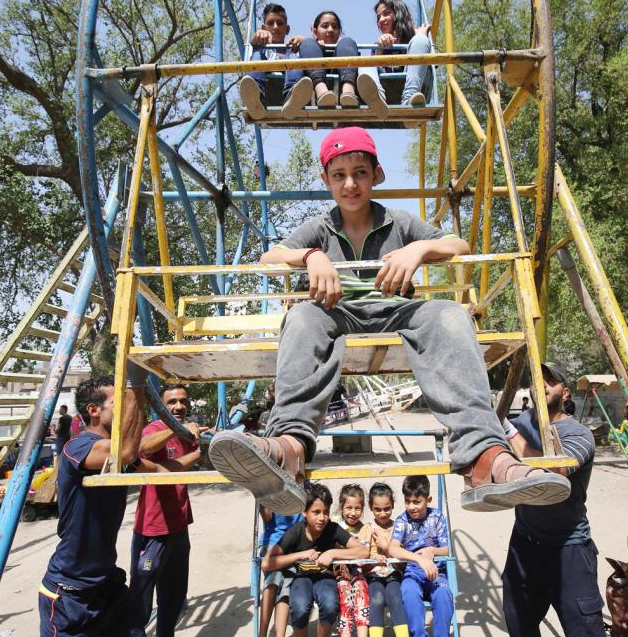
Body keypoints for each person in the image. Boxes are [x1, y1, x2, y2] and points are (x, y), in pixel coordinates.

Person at [209, 126, 570, 516]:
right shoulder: (320, 226)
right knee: (300, 319)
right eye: (339, 175)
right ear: (325, 179)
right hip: (336, 311)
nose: (350, 184)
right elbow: (269, 259)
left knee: (449, 316)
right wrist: (311, 256)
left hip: (395, 309)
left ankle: (485, 458)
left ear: (376, 175)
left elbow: (459, 246)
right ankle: (289, 450)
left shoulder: (398, 222)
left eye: (360, 173)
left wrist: (419, 249)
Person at [38, 374, 155, 637]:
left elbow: (150, 462)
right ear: (94, 410)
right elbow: (124, 452)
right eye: (119, 401)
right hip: (70, 592)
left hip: (107, 585)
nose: (127, 406)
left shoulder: (119, 449)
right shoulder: (77, 447)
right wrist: (137, 384)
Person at [503, 363, 604, 636]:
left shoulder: (579, 435)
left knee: (584, 629)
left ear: (566, 392)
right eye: (538, 379)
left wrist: (509, 433)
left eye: (551, 380)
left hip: (568, 548)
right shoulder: (521, 422)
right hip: (525, 544)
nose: (543, 384)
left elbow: (554, 471)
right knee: (518, 623)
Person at [129, 384, 204, 637]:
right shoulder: (156, 428)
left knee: (173, 596)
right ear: (160, 406)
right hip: (153, 529)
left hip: (179, 527)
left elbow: (176, 465)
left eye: (183, 401)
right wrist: (174, 428)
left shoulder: (185, 432)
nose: (179, 406)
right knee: (141, 598)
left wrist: (198, 444)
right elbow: (143, 448)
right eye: (171, 402)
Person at [261, 483, 368, 637]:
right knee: (299, 607)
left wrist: (332, 553)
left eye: (325, 512)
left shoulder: (332, 529)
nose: (322, 518)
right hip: (301, 577)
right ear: (304, 512)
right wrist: (300, 555)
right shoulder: (296, 531)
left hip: (325, 577)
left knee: (330, 605)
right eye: (316, 512)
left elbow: (363, 551)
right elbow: (266, 563)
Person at [386, 475, 453, 637]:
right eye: (407, 501)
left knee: (443, 593)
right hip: (412, 572)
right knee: (408, 591)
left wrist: (432, 551)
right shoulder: (403, 520)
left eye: (417, 502)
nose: (411, 507)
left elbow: (446, 550)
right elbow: (393, 549)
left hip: (435, 572)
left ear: (428, 499)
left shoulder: (436, 517)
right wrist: (419, 559)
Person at [357, 0, 433, 116]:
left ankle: (409, 100)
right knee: (363, 61)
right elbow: (375, 68)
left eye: (386, 13)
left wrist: (421, 36)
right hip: (387, 92)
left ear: (398, 14)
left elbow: (430, 67)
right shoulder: (378, 46)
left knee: (421, 40)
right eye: (378, 17)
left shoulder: (415, 39)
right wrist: (380, 49)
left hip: (413, 89)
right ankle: (377, 99)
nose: (381, 20)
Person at [239, 3, 307, 118]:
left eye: (280, 23)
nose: (275, 27)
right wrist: (257, 36)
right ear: (264, 28)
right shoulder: (260, 49)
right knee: (256, 55)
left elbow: (314, 51)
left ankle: (292, 96)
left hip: (290, 93)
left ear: (287, 29)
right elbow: (253, 44)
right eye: (270, 23)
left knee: (294, 57)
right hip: (267, 91)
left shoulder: (293, 51)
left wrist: (305, 41)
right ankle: (254, 98)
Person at [286, 11, 361, 109]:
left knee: (347, 41)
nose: (330, 29)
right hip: (313, 88)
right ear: (315, 31)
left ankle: (348, 93)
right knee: (308, 42)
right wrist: (312, 44)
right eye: (325, 26)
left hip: (341, 90)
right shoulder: (307, 45)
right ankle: (322, 93)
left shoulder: (345, 47)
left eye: (335, 27)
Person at [366, 483, 409, 637]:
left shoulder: (398, 527)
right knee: (376, 599)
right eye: (377, 509)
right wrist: (372, 558)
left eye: (387, 508)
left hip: (394, 574)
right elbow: (361, 556)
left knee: (396, 598)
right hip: (373, 575)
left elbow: (400, 563)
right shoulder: (368, 529)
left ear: (392, 506)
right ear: (371, 507)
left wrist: (386, 549)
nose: (383, 513)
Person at [258, 505, 304, 637]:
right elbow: (267, 518)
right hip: (273, 542)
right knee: (274, 577)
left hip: (294, 545)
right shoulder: (272, 486)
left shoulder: (303, 487)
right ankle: (262, 633)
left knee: (287, 584)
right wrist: (261, 496)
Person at [333, 484, 371, 637]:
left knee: (361, 588)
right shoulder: (333, 524)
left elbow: (364, 554)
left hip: (356, 570)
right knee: (345, 593)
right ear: (341, 507)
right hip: (337, 570)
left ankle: (362, 633)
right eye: (349, 508)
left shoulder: (363, 528)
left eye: (358, 509)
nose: (353, 513)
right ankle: (346, 633)